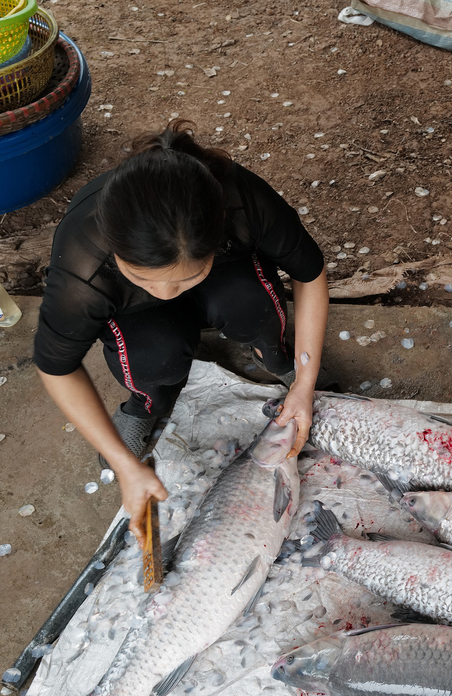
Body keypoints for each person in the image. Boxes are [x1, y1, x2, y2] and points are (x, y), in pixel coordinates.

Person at [35, 120, 329, 538]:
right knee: (151, 359)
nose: (166, 292)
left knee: (251, 306)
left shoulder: (242, 202)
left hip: (225, 273)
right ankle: (145, 405)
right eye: (145, 277)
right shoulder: (84, 265)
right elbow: (56, 367)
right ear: (114, 251)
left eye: (184, 279)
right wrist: (123, 464)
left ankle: (276, 356)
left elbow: (310, 274)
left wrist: (306, 381)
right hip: (133, 311)